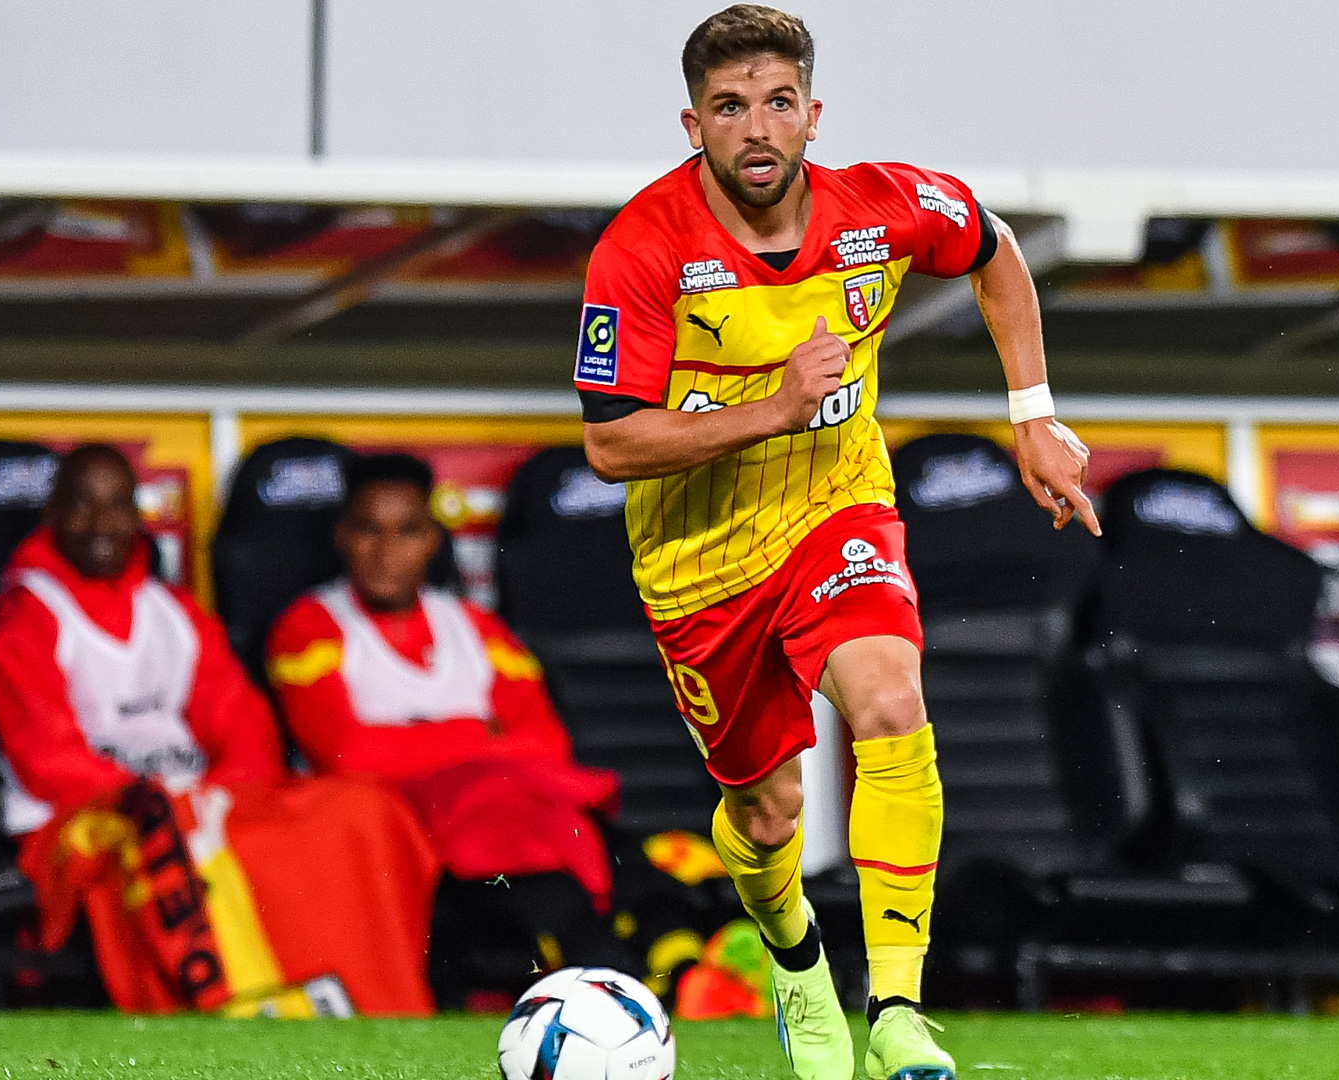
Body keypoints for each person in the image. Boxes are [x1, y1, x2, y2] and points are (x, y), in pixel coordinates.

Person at [574, 7, 1099, 1079]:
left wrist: (1034, 413)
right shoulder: (644, 246)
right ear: (693, 125)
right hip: (699, 561)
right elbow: (612, 444)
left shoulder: (884, 205)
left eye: (777, 102)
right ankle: (797, 963)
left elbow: (995, 253)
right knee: (764, 813)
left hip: (837, 512)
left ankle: (898, 1009)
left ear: (814, 113)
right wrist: (771, 407)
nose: (757, 128)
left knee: (891, 699)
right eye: (730, 108)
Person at [0, 444, 437, 1016]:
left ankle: (376, 1005)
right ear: (52, 516)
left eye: (117, 506)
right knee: (178, 834)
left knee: (357, 810)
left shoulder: (174, 611)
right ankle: (250, 1012)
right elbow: (48, 759)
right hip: (86, 816)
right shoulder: (18, 617)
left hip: (198, 798)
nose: (102, 524)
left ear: (138, 515)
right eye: (82, 505)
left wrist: (223, 793)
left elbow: (242, 723)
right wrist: (178, 802)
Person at [265, 452, 631, 1004]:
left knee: (596, 852)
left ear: (434, 540)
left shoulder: (475, 627)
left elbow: (547, 745)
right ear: (342, 536)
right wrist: (480, 735)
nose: (387, 551)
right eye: (370, 530)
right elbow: (346, 754)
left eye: (407, 531)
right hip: (395, 837)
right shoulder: (309, 625)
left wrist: (419, 743)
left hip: (499, 820)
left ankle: (636, 979)